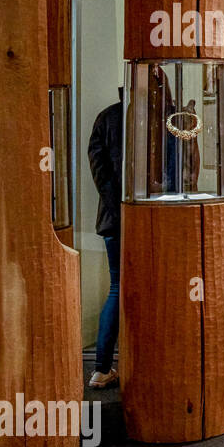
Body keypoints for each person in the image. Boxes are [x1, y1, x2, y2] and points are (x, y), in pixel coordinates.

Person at [87, 90, 124, 389]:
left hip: (113, 221)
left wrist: (117, 210)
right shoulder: (159, 115)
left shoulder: (107, 117)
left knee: (117, 288)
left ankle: (101, 367)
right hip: (146, 219)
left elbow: (99, 173)